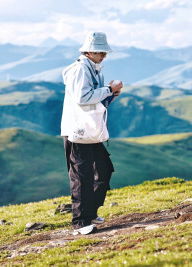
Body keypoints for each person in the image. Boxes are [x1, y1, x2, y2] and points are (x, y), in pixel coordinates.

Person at [61, 32, 123, 235]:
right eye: (100, 51)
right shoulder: (80, 69)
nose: (103, 55)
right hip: (77, 131)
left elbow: (95, 103)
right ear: (88, 51)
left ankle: (90, 212)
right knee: (81, 175)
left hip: (89, 131)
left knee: (103, 169)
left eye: (104, 51)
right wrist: (108, 89)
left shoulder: (94, 70)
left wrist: (111, 94)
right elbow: (83, 97)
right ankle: (80, 222)